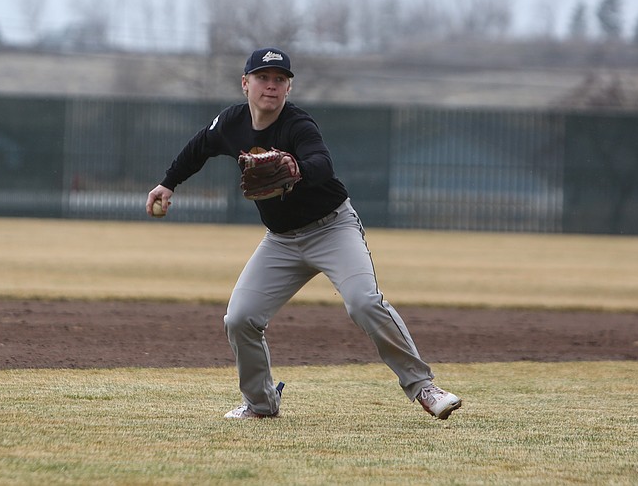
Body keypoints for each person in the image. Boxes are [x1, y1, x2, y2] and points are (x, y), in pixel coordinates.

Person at [146, 47, 461, 421]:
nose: (272, 85)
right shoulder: (231, 122)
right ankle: (261, 404)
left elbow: (323, 164)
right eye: (263, 77)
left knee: (363, 301)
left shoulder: (298, 124)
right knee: (239, 318)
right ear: (245, 83)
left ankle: (424, 386)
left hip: (332, 228)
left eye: (280, 79)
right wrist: (168, 184)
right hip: (281, 241)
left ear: (288, 88)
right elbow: (199, 147)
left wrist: (296, 168)